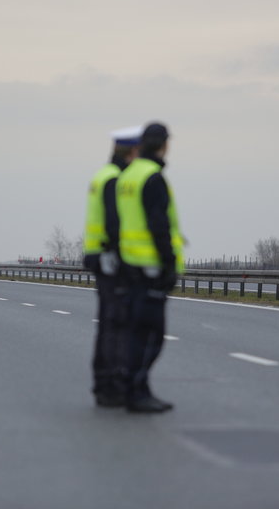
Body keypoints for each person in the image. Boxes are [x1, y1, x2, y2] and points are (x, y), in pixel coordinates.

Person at [116, 121, 184, 413]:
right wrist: (169, 263)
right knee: (151, 336)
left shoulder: (128, 176)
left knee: (136, 332)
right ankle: (136, 391)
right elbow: (159, 225)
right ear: (163, 144)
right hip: (151, 268)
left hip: (129, 266)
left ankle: (137, 388)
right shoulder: (152, 178)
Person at [83, 126, 142, 407]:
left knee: (109, 323)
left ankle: (105, 383)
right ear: (132, 151)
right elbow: (114, 223)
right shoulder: (114, 179)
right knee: (115, 324)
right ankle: (108, 385)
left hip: (100, 257)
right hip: (110, 261)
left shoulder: (103, 175)